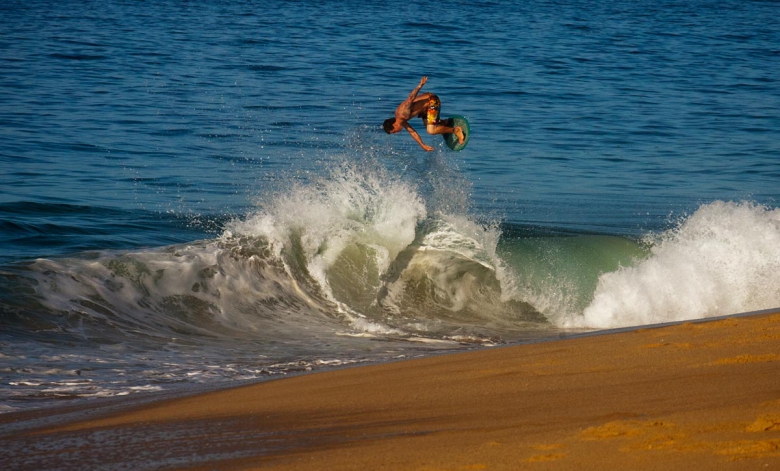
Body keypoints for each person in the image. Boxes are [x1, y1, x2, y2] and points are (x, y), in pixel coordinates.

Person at [383, 76, 465, 152]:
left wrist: (420, 85)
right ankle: (444, 123)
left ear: (394, 125)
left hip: (432, 101)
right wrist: (423, 145)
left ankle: (456, 130)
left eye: (394, 131)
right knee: (428, 126)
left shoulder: (402, 113)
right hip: (425, 109)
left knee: (431, 130)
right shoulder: (401, 120)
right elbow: (413, 132)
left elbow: (410, 98)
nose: (397, 133)